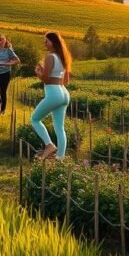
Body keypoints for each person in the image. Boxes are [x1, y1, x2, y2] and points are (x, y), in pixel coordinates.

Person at [32, 31, 72, 160]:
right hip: (64, 93)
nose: (44, 43)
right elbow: (66, 81)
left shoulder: (50, 57)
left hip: (54, 93)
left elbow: (46, 79)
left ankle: (49, 145)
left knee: (35, 119)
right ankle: (60, 158)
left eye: (46, 41)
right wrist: (46, 74)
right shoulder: (63, 57)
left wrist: (39, 72)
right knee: (60, 128)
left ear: (53, 42)